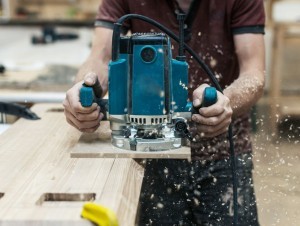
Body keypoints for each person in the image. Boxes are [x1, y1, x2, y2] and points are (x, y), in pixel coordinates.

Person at [63, 0, 265, 225]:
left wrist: (225, 102)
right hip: (151, 150)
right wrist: (86, 88)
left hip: (223, 150)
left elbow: (253, 74)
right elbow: (101, 57)